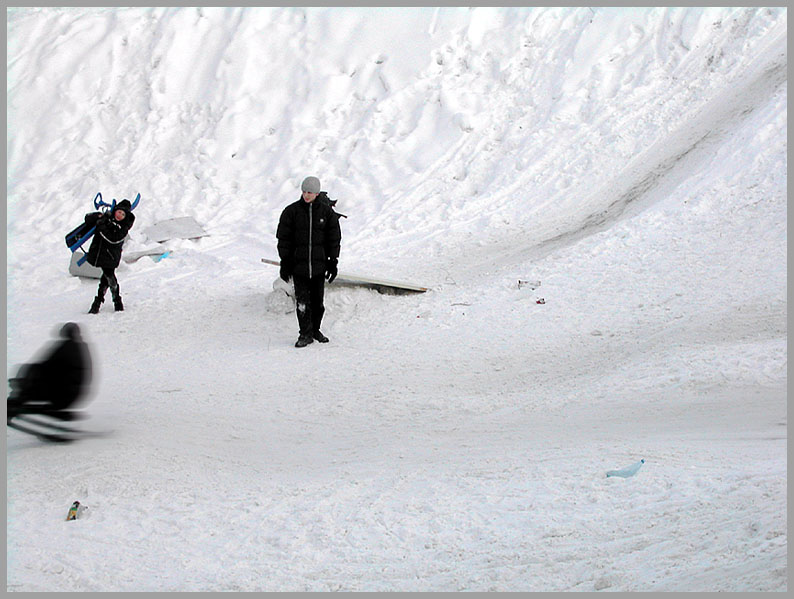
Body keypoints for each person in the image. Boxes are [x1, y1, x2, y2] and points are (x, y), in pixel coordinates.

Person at [276, 176, 342, 347]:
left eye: (310, 192)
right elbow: (284, 239)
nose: (306, 195)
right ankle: (304, 334)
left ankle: (315, 330)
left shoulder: (327, 213)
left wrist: (332, 261)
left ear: (317, 193)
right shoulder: (291, 212)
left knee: (318, 303)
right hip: (299, 267)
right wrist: (285, 262)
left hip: (319, 267)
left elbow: (333, 238)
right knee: (303, 303)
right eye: (304, 191)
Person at [7, 322, 93, 420]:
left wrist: (27, 377)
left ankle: (11, 407)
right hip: (75, 394)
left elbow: (47, 366)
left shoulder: (65, 348)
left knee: (28, 386)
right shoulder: (79, 348)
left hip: (61, 395)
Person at [85, 199, 136, 313]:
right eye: (119, 212)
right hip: (101, 253)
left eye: (123, 214)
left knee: (108, 276)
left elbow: (113, 238)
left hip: (110, 256)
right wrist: (98, 217)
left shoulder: (123, 228)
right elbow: (88, 219)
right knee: (106, 278)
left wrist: (102, 225)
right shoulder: (107, 218)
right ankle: (114, 302)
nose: (120, 215)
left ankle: (101, 303)